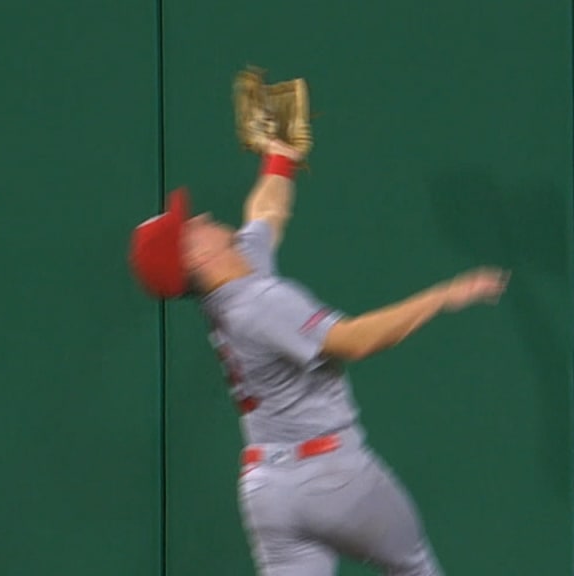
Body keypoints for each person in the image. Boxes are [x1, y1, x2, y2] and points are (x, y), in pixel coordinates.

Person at [127, 72, 509, 576]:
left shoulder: (234, 280)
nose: (198, 219)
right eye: (189, 227)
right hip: (333, 476)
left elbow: (267, 213)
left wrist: (280, 155)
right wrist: (440, 296)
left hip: (268, 489)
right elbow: (354, 341)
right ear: (194, 257)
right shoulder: (260, 303)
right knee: (414, 566)